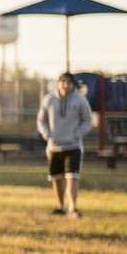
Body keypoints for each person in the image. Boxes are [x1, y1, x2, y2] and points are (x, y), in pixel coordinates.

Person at [37, 72, 93, 219]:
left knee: (72, 176)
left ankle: (72, 207)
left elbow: (88, 121)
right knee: (56, 178)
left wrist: (76, 134)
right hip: (54, 146)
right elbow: (41, 120)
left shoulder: (80, 100)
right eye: (62, 82)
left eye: (68, 82)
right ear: (58, 83)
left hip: (73, 146)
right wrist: (47, 134)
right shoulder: (49, 99)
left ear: (73, 84)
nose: (65, 85)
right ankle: (60, 207)